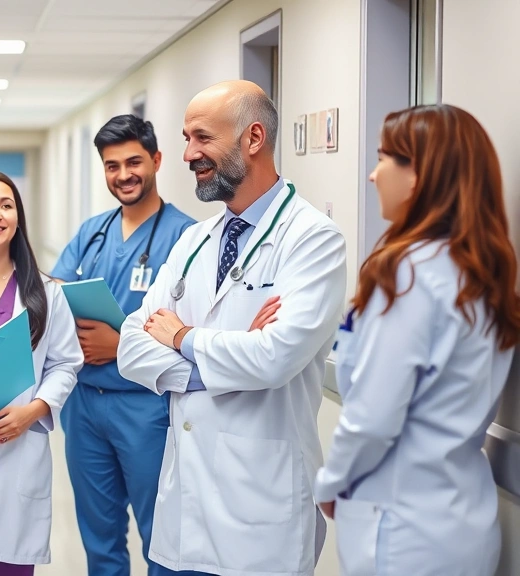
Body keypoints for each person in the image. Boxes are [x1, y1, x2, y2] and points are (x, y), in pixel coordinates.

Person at [116, 80, 347, 576]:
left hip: (260, 513)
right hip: (184, 513)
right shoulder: (195, 240)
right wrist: (222, 359)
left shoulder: (312, 240)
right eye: (185, 138)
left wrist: (183, 339)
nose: (187, 154)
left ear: (254, 138)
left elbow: (274, 359)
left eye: (202, 138)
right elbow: (131, 348)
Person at [314, 105, 520, 576]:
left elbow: (372, 416)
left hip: (401, 529)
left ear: (418, 175)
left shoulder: (407, 274)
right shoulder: (483, 272)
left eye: (385, 158)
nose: (372, 174)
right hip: (464, 520)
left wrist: (330, 482)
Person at [49, 114, 196, 576]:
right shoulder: (92, 231)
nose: (124, 174)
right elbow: (54, 295)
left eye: (134, 162)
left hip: (148, 408)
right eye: (112, 166)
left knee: (164, 537)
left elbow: (196, 331)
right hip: (85, 407)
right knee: (99, 538)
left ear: (156, 160)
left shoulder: (188, 236)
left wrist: (120, 346)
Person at [0, 172, 84, 576]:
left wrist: (34, 410)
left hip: (18, 440)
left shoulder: (45, 291)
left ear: (18, 218)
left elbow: (65, 363)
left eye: (6, 205)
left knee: (12, 566)